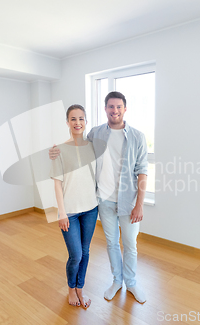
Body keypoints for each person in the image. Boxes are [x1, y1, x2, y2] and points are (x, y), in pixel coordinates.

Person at [50, 92, 148, 303]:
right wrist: (54, 152)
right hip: (103, 200)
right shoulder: (96, 134)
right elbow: (75, 145)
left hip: (129, 201)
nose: (115, 110)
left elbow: (142, 171)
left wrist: (140, 204)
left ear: (125, 109)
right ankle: (116, 281)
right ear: (105, 109)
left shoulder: (138, 137)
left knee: (130, 244)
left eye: (119, 106)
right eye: (111, 107)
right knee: (112, 243)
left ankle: (131, 283)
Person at [49, 104, 98, 308]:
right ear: (68, 122)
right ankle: (71, 289)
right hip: (69, 211)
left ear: (86, 121)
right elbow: (57, 184)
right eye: (73, 119)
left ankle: (80, 287)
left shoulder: (93, 147)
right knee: (75, 255)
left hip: (91, 209)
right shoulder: (58, 150)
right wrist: (61, 212)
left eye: (81, 119)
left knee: (85, 252)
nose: (78, 123)